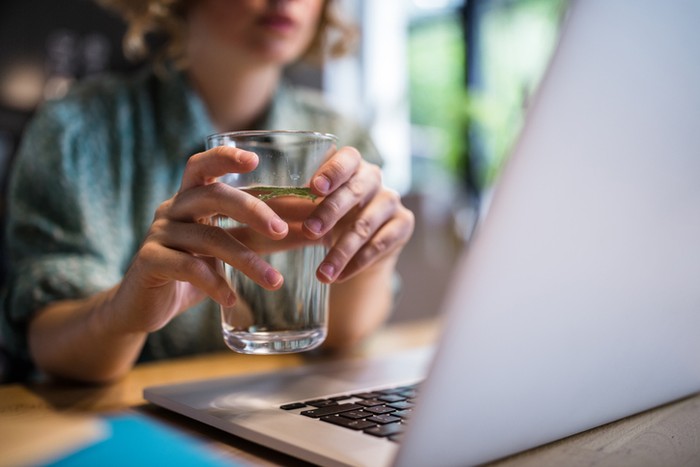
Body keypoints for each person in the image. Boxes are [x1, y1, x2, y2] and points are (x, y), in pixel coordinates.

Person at [0, 0, 414, 383]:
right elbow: (47, 342)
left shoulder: (341, 136)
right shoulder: (77, 129)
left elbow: (342, 335)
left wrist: (372, 253)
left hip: (285, 407)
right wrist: (122, 312)